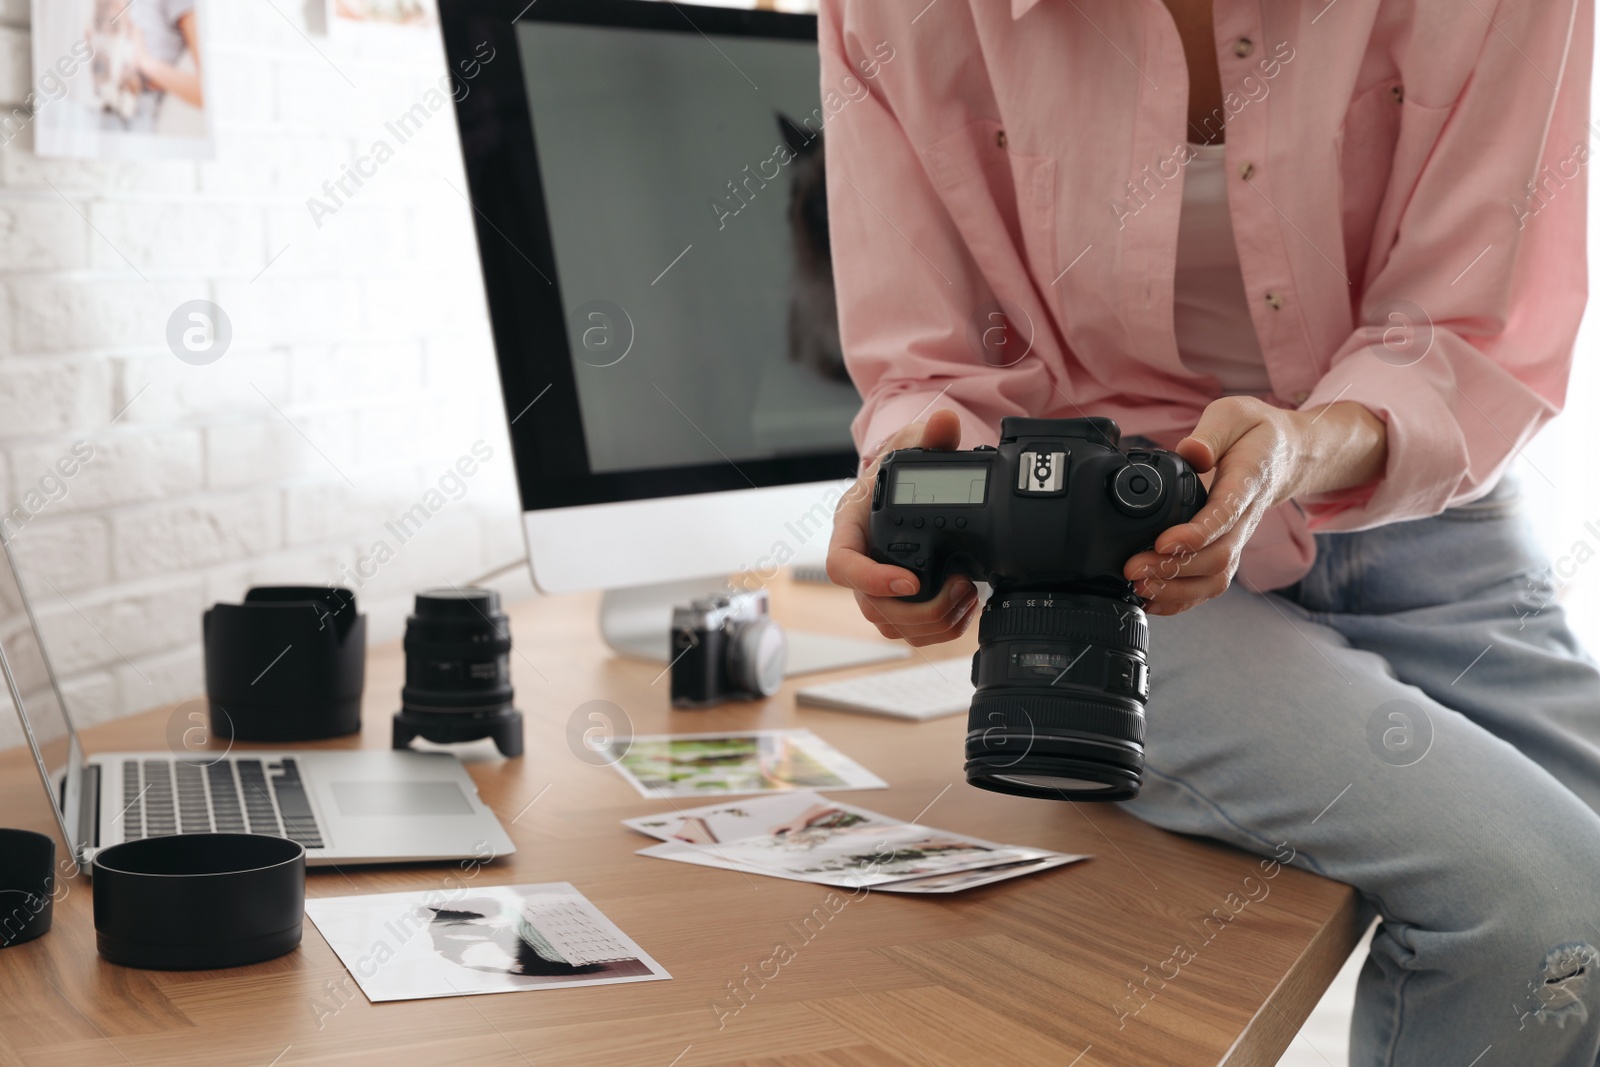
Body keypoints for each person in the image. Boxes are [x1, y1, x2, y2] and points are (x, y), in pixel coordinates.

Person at [819, 0, 1600, 1063]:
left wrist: (1297, 449)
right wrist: (915, 486)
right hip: (1120, 565)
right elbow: (926, 357)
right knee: (1547, 906)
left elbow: (1467, 324)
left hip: (1421, 507)